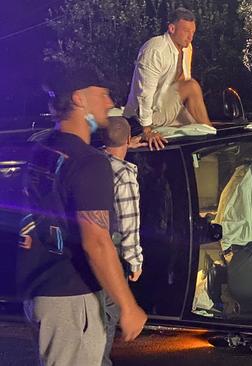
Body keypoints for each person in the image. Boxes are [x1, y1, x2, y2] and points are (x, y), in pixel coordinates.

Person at [21, 65, 147, 366]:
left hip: (41, 291)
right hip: (71, 297)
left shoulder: (43, 151)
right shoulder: (89, 163)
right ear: (79, 99)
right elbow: (97, 242)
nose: (108, 102)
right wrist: (127, 305)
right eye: (102, 95)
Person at [124, 7, 211, 151]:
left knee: (198, 129)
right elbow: (144, 93)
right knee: (192, 87)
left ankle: (212, 143)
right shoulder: (155, 50)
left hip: (165, 108)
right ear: (171, 28)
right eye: (186, 32)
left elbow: (182, 81)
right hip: (143, 117)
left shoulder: (187, 48)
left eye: (193, 32)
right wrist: (146, 130)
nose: (190, 37)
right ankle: (211, 140)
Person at [101, 116, 146, 366]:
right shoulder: (124, 176)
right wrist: (135, 261)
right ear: (128, 139)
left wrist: (128, 144)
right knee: (108, 316)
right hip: (112, 255)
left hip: (94, 252)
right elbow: (130, 222)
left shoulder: (95, 161)